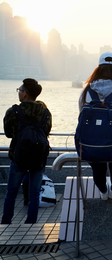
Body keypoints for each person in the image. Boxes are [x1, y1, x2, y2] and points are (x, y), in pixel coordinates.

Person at [78, 52, 112, 200]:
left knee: (97, 168)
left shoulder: (86, 92)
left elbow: (81, 116)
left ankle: (103, 192)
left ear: (98, 69)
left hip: (91, 141)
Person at [1, 78, 52, 224]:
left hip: (19, 156)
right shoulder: (45, 111)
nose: (19, 92)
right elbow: (46, 130)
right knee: (34, 193)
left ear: (25, 94)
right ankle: (31, 222)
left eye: (20, 90)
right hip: (38, 156)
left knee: (11, 192)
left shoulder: (13, 111)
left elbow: (8, 133)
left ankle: (6, 222)